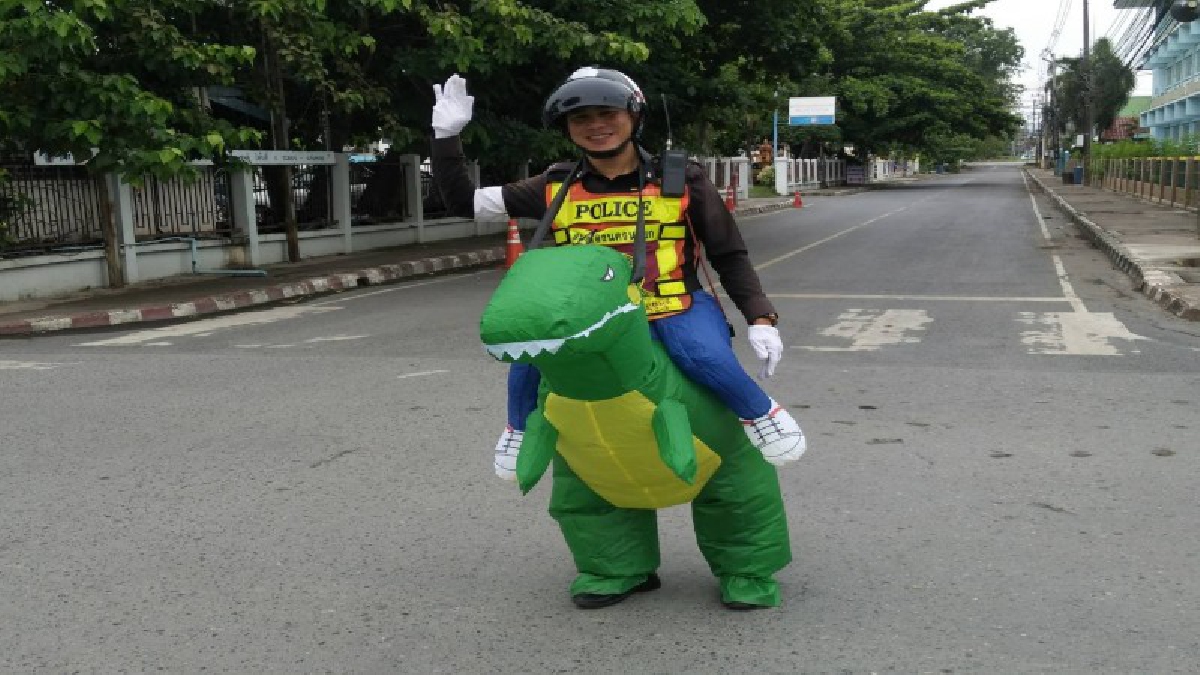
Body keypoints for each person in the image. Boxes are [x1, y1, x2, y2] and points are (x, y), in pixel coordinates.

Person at [429, 67, 805, 475]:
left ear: (634, 116)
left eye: (607, 113)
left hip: (671, 301)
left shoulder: (681, 178)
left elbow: (728, 253)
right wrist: (446, 138)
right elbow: (463, 202)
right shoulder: (552, 185)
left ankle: (759, 413)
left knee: (702, 355)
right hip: (592, 314)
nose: (596, 126)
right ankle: (518, 428)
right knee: (529, 356)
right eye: (581, 118)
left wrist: (760, 318)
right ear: (568, 128)